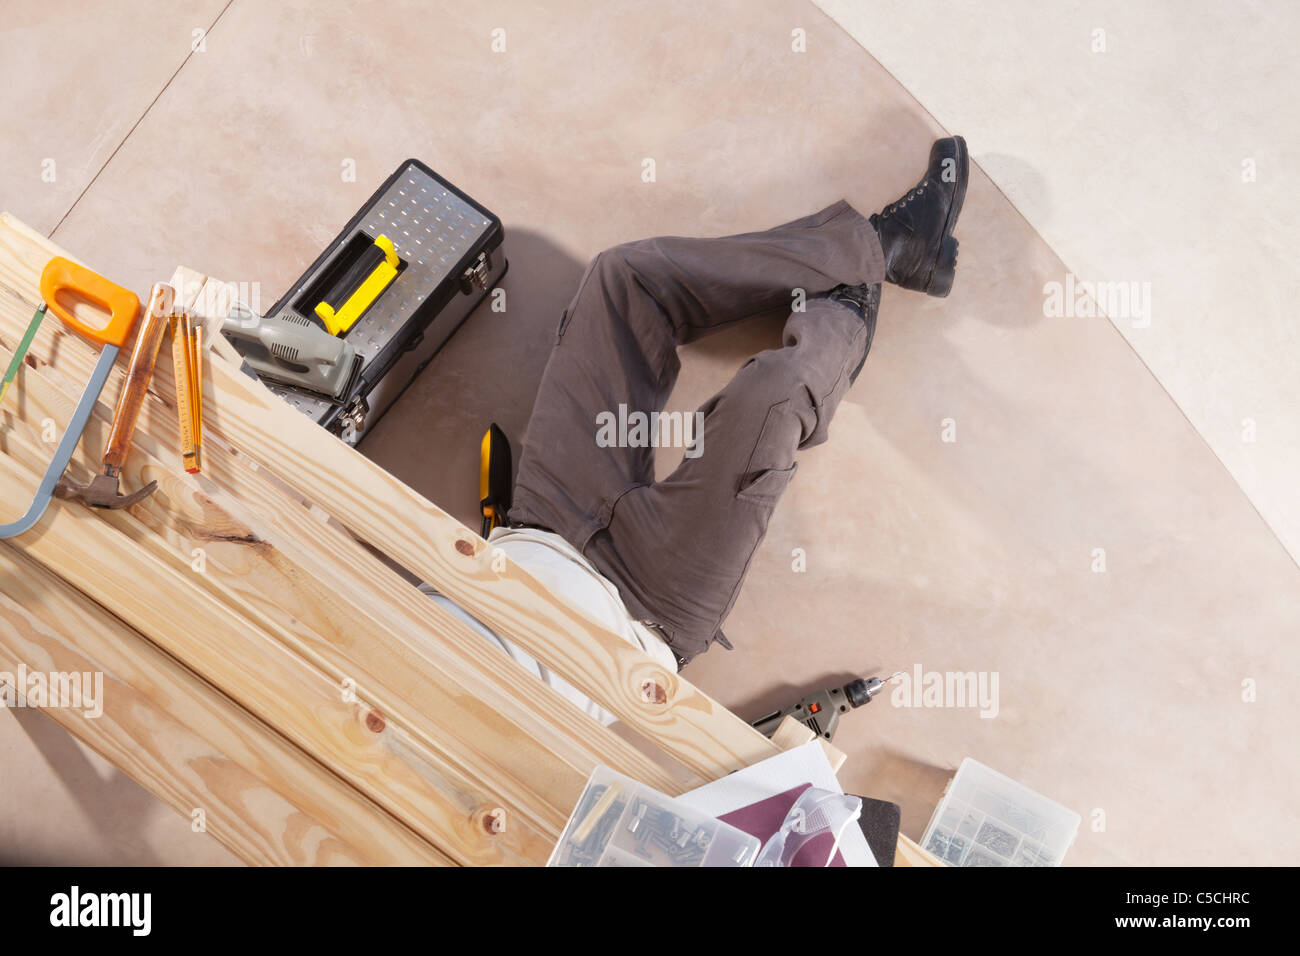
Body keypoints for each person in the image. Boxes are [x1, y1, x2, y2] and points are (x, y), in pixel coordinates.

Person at [424, 136, 969, 724]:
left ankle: (884, 247)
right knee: (774, 395)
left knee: (621, 281)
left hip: (545, 524)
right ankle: (856, 294)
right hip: (648, 603)